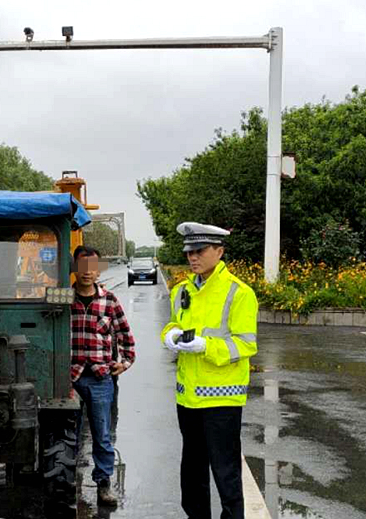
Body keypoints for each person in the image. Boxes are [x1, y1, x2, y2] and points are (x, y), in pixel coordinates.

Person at [160, 222, 258, 519]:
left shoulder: (239, 293)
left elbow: (245, 344)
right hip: (188, 398)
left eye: (200, 250)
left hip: (221, 400)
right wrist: (169, 334)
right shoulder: (181, 290)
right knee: (192, 470)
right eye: (189, 251)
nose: (192, 257)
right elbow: (175, 323)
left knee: (225, 471)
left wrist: (206, 346)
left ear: (219, 251)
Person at [71, 245, 136, 506]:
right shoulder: (63, 299)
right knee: (67, 436)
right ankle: (67, 482)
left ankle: (103, 485)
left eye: (93, 267)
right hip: (70, 378)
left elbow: (125, 334)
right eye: (83, 266)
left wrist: (126, 362)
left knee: (102, 434)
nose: (88, 273)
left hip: (100, 378)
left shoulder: (109, 300)